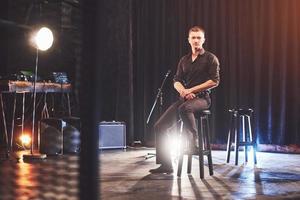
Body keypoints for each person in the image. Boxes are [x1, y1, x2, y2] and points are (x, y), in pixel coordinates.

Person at [149, 26, 220, 174]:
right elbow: (176, 80)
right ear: (188, 40)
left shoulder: (210, 58)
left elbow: (214, 81)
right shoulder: (184, 60)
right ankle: (166, 164)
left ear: (203, 40)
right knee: (159, 127)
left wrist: (192, 90)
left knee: (185, 109)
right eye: (193, 38)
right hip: (185, 99)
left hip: (202, 99)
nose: (196, 40)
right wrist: (183, 91)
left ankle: (193, 143)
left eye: (199, 38)